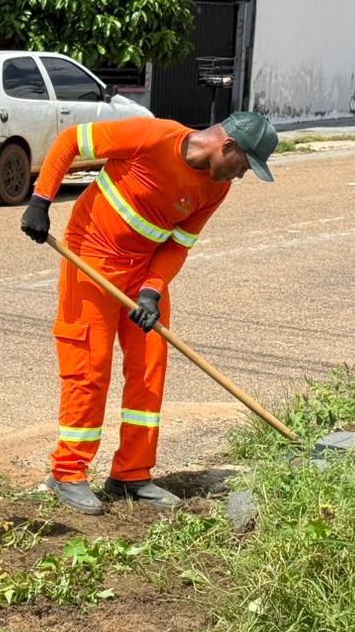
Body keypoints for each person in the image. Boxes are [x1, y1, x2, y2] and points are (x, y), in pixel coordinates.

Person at [20, 112, 278, 514]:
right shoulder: (151, 136)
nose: (240, 176)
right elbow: (71, 140)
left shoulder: (215, 188)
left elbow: (178, 245)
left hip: (143, 274)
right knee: (89, 367)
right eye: (244, 165)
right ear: (227, 146)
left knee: (149, 369)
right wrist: (41, 201)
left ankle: (132, 474)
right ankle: (67, 473)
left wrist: (152, 292)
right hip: (91, 258)